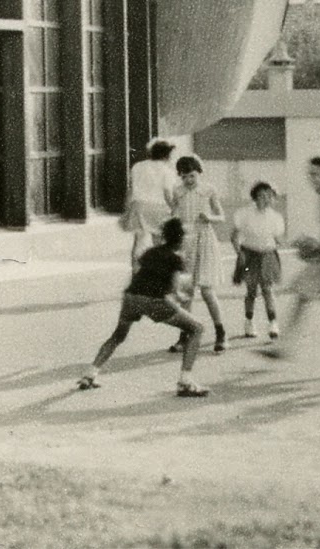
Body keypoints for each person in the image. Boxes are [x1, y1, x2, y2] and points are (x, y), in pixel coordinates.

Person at [77, 218, 209, 397]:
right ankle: (185, 381)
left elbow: (138, 272)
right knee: (196, 328)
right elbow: (174, 289)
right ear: (179, 239)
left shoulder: (151, 252)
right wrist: (181, 296)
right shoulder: (176, 259)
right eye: (184, 236)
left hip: (131, 297)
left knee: (117, 336)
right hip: (153, 301)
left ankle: (90, 374)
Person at [259, 157, 320, 359]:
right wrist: (313, 246)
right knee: (304, 296)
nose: (312, 179)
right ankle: (284, 346)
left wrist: (319, 245)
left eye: (316, 174)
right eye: (309, 175)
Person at [168, 155, 228, 354]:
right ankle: (184, 336)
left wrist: (209, 217)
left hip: (205, 241)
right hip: (186, 242)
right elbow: (174, 215)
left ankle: (221, 333)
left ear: (199, 173)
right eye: (184, 177)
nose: (189, 180)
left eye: (192, 176)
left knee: (207, 290)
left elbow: (221, 216)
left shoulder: (209, 190)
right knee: (185, 292)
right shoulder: (178, 192)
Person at [231, 181, 286, 340]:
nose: (265, 199)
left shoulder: (275, 217)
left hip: (268, 255)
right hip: (249, 255)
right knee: (251, 291)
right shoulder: (245, 213)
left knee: (267, 290)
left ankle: (273, 323)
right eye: (261, 196)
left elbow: (278, 238)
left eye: (269, 196)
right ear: (255, 198)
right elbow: (234, 236)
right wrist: (239, 253)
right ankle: (249, 322)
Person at [122, 139, 176, 268]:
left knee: (138, 242)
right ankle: (159, 271)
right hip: (159, 208)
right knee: (159, 241)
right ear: (166, 155)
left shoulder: (137, 166)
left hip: (138, 206)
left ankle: (135, 271)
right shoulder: (167, 171)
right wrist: (175, 209)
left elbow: (130, 190)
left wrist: (126, 209)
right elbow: (167, 194)